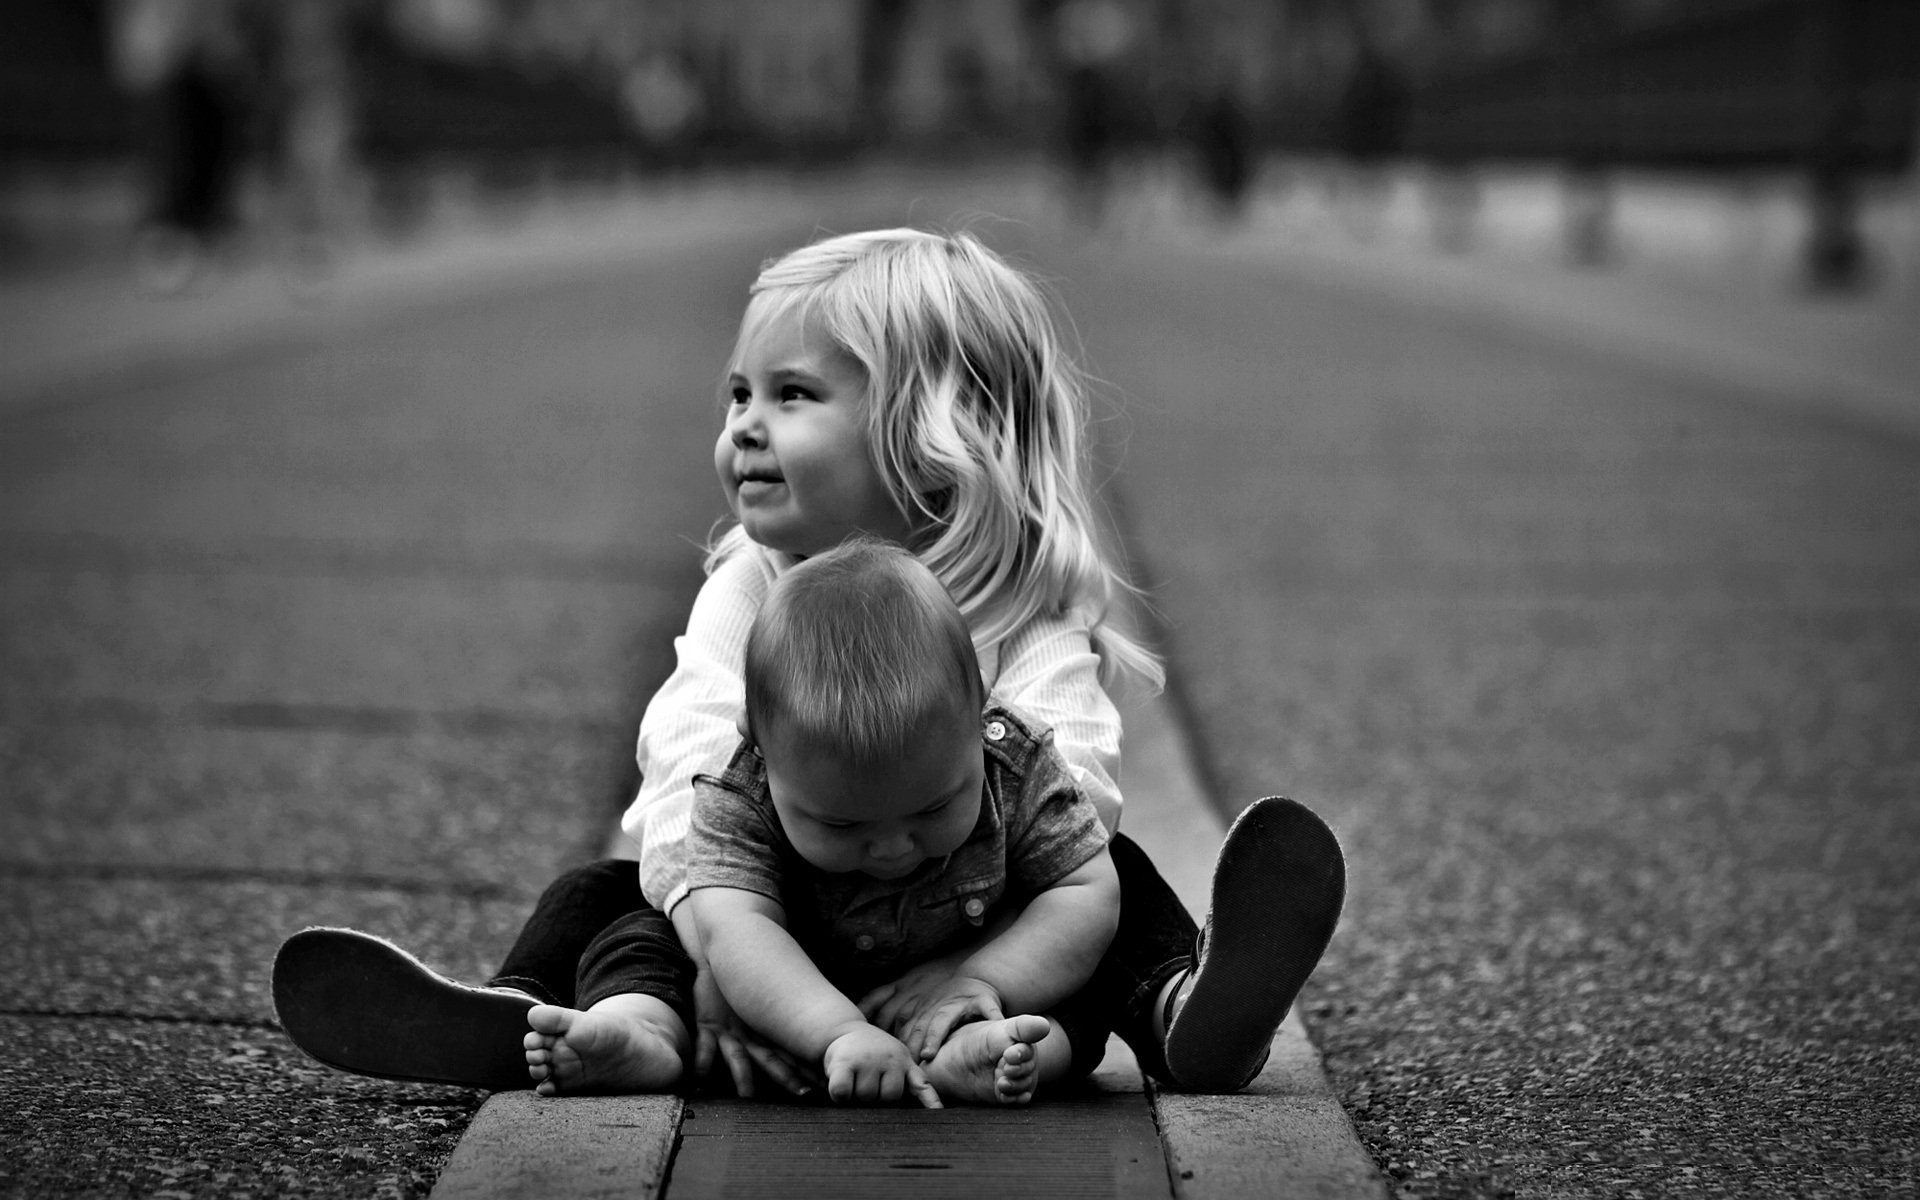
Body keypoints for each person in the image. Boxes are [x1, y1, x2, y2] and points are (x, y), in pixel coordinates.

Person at [273, 226, 1344, 1099]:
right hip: (764, 920)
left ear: (937, 432)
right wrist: (729, 957)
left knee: (1113, 890)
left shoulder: (1020, 600)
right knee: (602, 898)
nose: (744, 426)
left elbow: (1078, 801)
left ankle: (1175, 1018)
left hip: (975, 932)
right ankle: (586, 1022)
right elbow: (685, 765)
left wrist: (976, 976)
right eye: (739, 393)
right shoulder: (753, 582)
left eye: (792, 396)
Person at [520, 540, 1120, 1106]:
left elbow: (1083, 889)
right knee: (636, 936)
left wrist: (984, 981)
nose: (892, 847)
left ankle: (987, 1055)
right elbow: (738, 930)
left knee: (1087, 976)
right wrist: (838, 1032)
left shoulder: (1015, 762)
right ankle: (640, 1031)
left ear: (980, 711)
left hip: (967, 973)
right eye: (842, 825)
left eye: (933, 808)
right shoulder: (738, 795)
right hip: (788, 1000)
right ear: (760, 751)